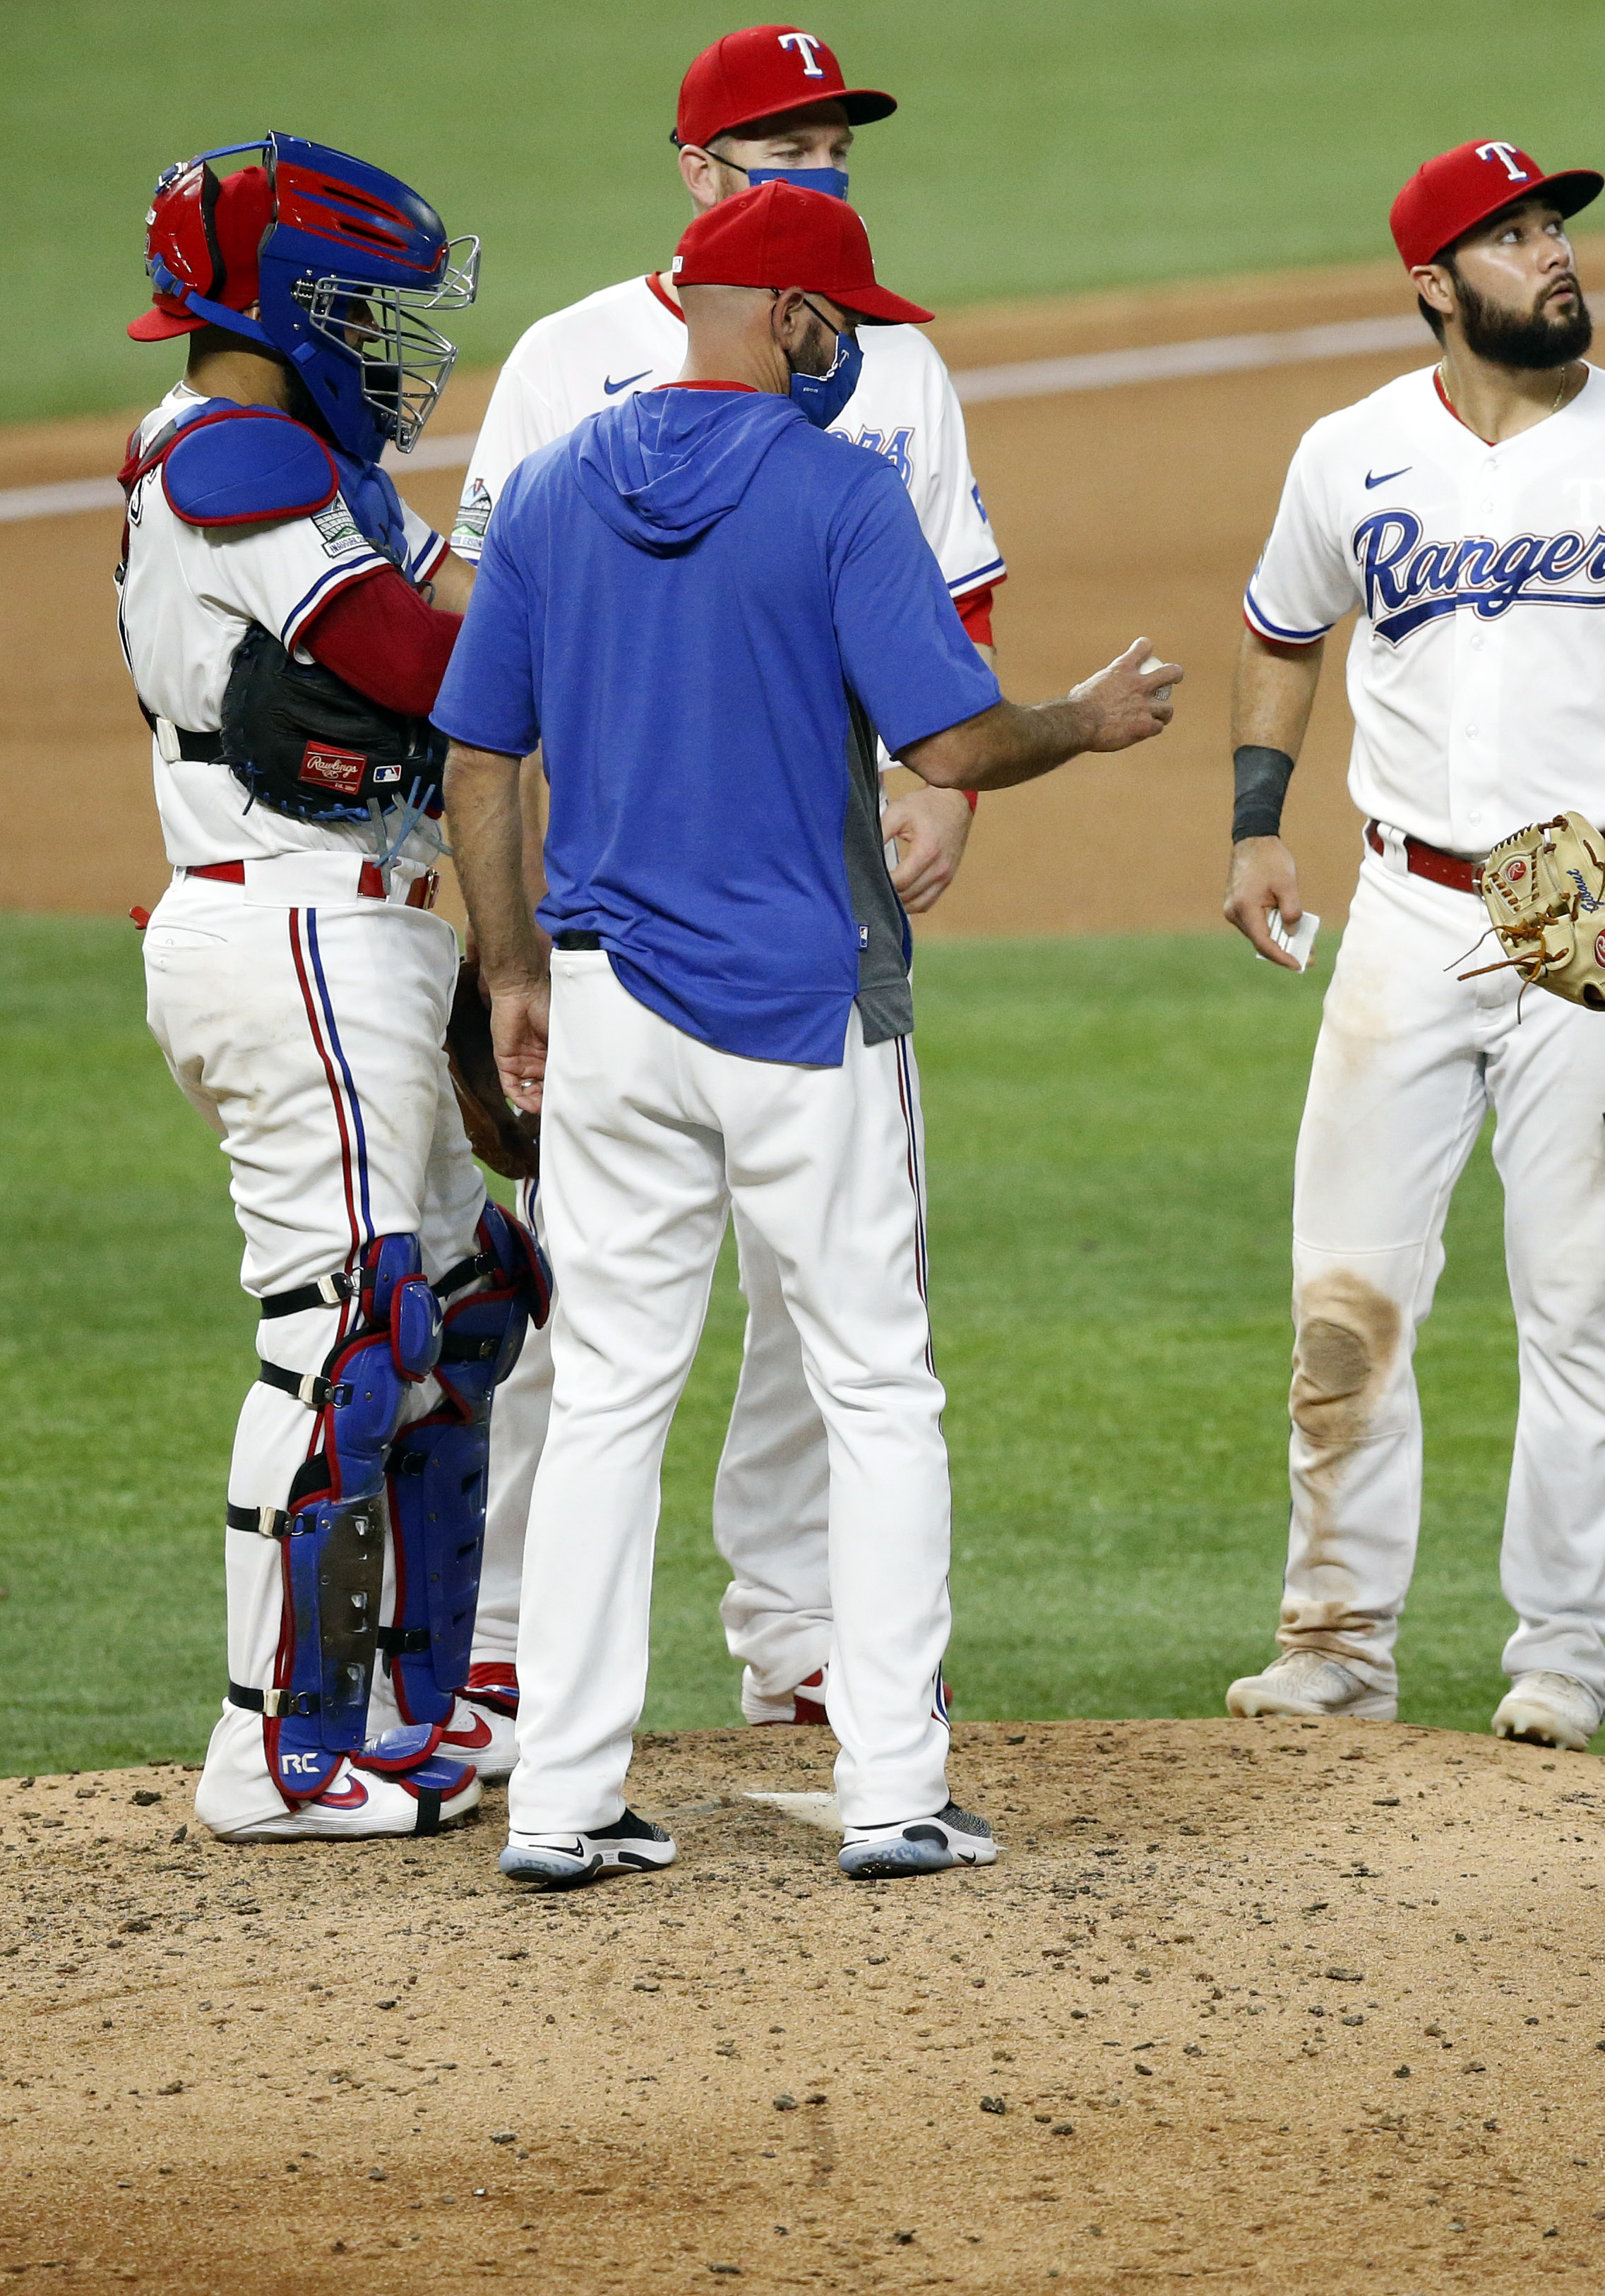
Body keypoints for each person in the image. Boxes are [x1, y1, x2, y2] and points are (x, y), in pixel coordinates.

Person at [433, 184, 1181, 1887]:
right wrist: (1092, 717)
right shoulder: (840, 496)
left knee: (613, 1394)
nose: (853, 346)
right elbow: (960, 745)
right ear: (783, 315)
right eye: (839, 317)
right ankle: (897, 1792)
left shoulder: (550, 491)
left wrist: (510, 968)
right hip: (805, 1015)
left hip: (611, 1008)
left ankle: (556, 1803)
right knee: (876, 1384)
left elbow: (481, 754)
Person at [448, 22, 1010, 1769]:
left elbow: (953, 624)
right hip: (747, 948)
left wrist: (941, 798)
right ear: (701, 175)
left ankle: (790, 1641)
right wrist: (502, 939)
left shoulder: (892, 359)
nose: (824, 164)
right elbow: (488, 637)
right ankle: (510, 1641)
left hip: (718, 923)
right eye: (790, 144)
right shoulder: (565, 362)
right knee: (661, 1327)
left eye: (840, 139)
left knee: (774, 1312)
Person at [1215, 138, 1605, 1752]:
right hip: (1407, 905)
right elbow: (1281, 629)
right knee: (1345, 1298)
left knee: (1575, 1294)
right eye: (1513, 235)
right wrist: (1257, 826)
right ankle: (1334, 1639)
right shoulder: (1349, 454)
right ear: (1432, 285)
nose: (1551, 254)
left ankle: (1561, 1655)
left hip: (1600, 914)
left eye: (1554, 228)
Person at [115, 135, 544, 1841]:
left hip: (365, 924)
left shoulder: (296, 453)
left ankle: (408, 1714)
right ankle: (267, 1754)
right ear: (285, 301)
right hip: (287, 926)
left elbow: (470, 598)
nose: (390, 338)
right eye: (363, 304)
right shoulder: (232, 463)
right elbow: (421, 657)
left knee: (464, 1313)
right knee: (345, 1335)